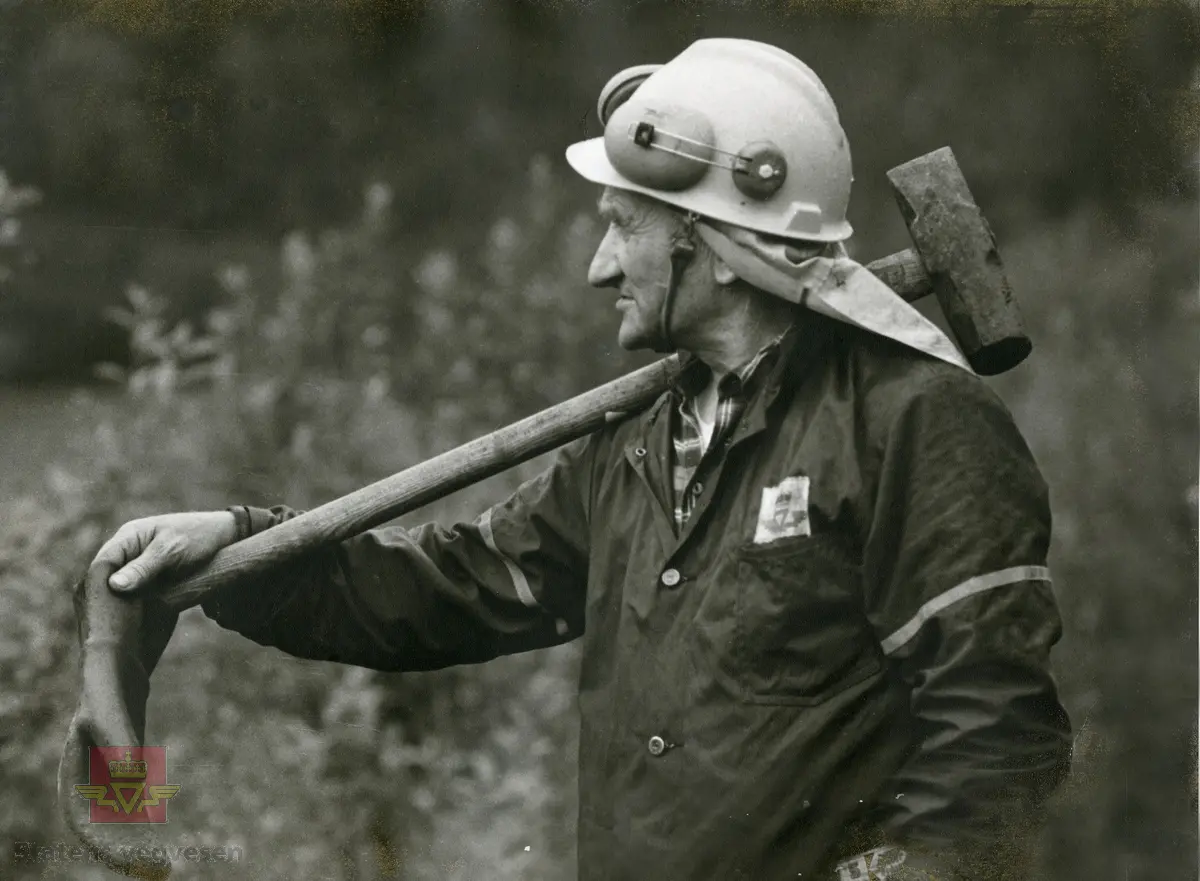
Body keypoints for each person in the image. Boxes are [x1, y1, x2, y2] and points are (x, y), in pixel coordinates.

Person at [90, 38, 1072, 881]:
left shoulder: (914, 421)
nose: (602, 266)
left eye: (621, 226)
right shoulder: (638, 445)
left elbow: (995, 743)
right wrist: (239, 548)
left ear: (716, 244)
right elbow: (446, 588)